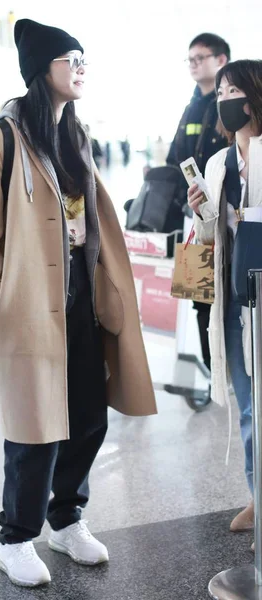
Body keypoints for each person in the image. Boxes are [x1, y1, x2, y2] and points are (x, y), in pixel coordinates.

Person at [0, 18, 157, 588]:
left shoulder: (78, 132)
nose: (80, 69)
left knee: (88, 415)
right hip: (28, 302)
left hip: (81, 297)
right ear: (41, 69)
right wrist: (2, 299)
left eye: (82, 59)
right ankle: (15, 538)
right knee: (34, 426)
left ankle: (66, 518)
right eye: (71, 59)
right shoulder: (3, 135)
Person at [188, 59, 262, 544]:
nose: (225, 99)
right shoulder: (216, 162)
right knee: (247, 404)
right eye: (220, 92)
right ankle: (259, 495)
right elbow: (207, 238)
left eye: (233, 89)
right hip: (234, 301)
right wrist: (202, 212)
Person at [167, 33, 231, 374]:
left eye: (200, 57)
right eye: (189, 58)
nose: (193, 64)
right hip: (194, 221)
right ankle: (213, 371)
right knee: (200, 297)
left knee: (232, 296)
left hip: (230, 218)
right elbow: (175, 156)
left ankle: (235, 365)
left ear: (221, 60)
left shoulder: (232, 108)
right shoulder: (190, 106)